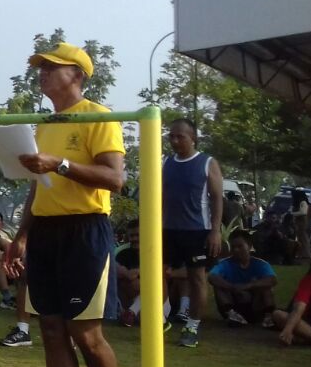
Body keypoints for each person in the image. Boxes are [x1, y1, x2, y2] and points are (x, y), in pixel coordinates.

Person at [6, 42, 128, 367]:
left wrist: (60, 163)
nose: (42, 73)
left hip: (84, 230)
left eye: (51, 67)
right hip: (46, 231)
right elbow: (37, 187)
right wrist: (22, 236)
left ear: (77, 74)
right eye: (40, 67)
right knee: (52, 327)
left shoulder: (98, 116)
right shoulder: (43, 124)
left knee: (85, 332)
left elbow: (115, 179)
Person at [162, 118, 224, 348]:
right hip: (168, 229)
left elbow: (217, 198)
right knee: (157, 273)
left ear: (193, 138)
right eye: (171, 136)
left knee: (197, 279)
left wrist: (215, 231)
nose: (175, 140)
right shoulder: (166, 162)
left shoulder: (207, 162)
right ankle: (162, 316)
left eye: (180, 136)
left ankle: (192, 326)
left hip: (197, 230)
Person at [207, 230, 277, 326]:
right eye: (233, 247)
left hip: (255, 305)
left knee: (265, 285)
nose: (236, 250)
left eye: (240, 246)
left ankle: (268, 316)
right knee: (218, 285)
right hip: (234, 303)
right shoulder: (224, 263)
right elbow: (212, 277)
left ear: (249, 246)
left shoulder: (261, 264)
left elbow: (272, 280)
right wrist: (233, 287)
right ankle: (232, 315)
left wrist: (248, 286)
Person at [114, 219, 171, 328]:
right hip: (131, 298)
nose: (135, 239)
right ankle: (132, 312)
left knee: (159, 280)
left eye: (138, 235)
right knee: (126, 281)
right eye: (132, 236)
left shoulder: (158, 251)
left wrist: (139, 273)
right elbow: (122, 274)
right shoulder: (123, 253)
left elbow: (167, 273)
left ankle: (132, 312)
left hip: (158, 302)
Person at [272, 263, 311, 345]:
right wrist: (288, 330)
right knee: (278, 315)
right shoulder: (309, 280)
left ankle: (307, 338)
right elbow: (299, 308)